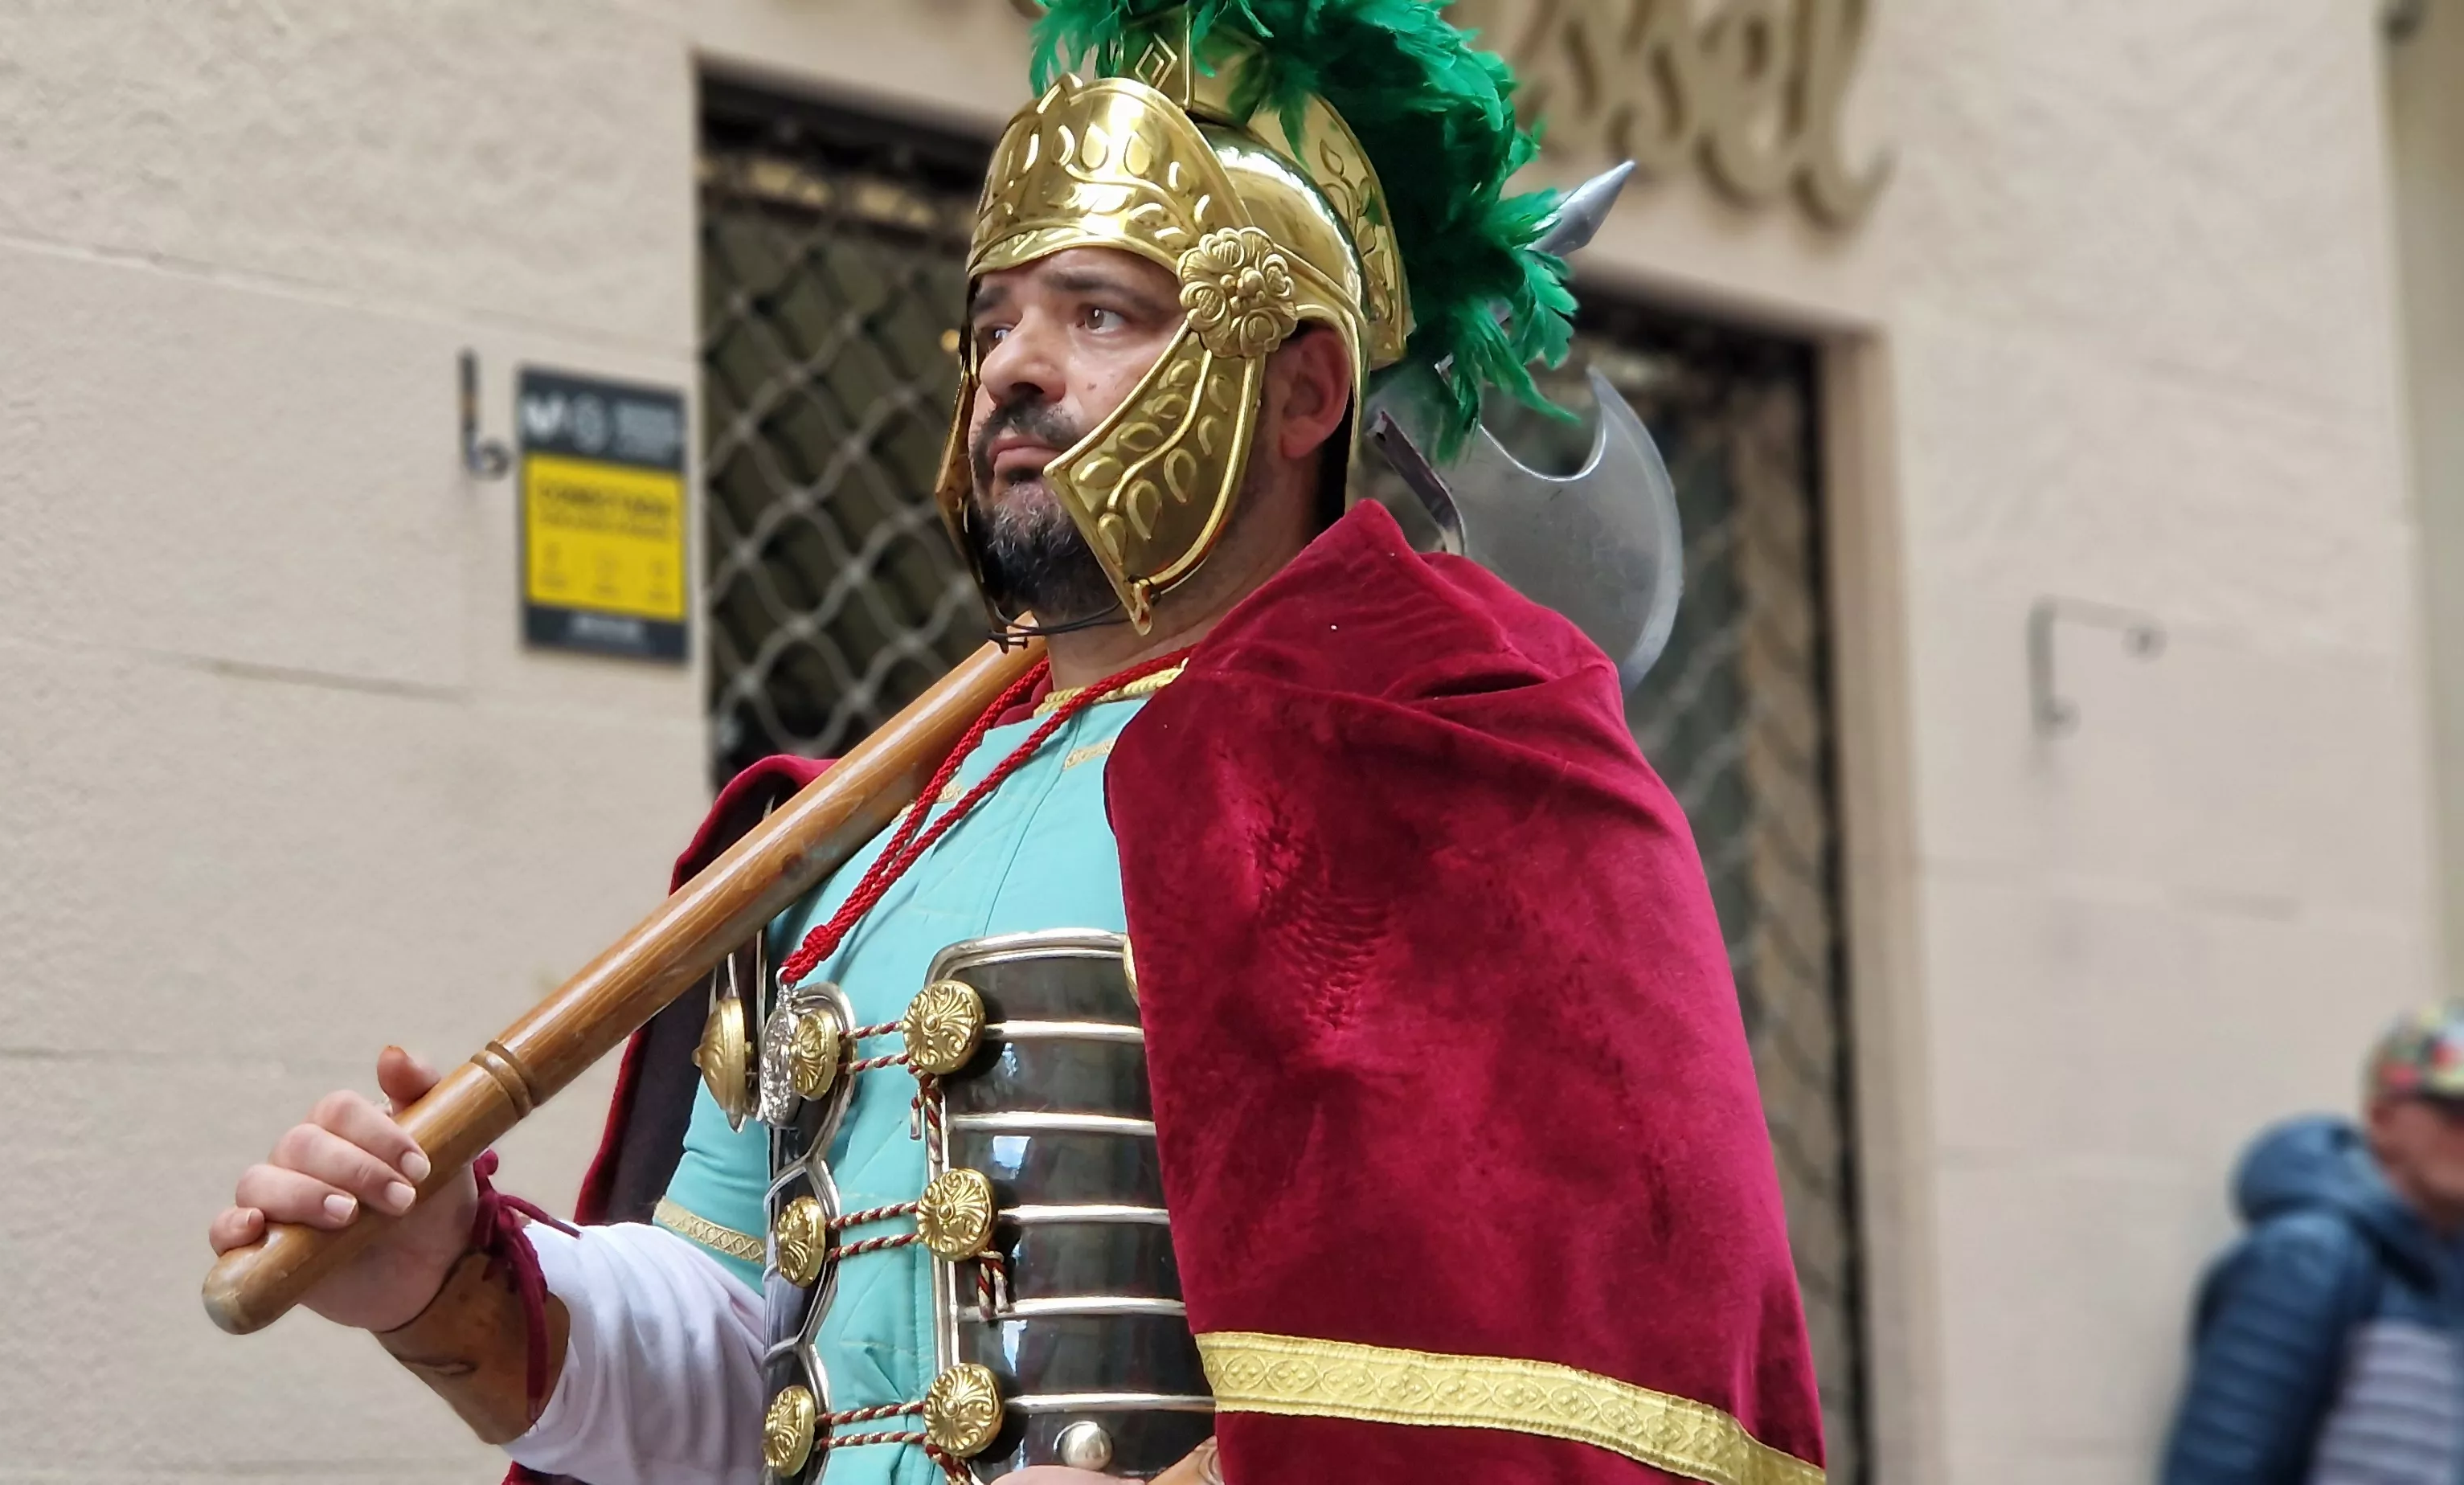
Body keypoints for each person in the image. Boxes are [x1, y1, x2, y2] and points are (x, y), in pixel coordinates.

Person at [211, 2, 1824, 1481]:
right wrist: (450, 1283)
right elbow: (734, 1365)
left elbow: (1546, 1380)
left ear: (1302, 389)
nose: (1013, 373)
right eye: (990, 325)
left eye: (1100, 314)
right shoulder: (859, 839)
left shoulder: (1450, 760)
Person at [2159, 1008, 2464, 1484]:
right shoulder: (2309, 1258)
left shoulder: (2450, 1276)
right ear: (2382, 1120)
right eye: (2456, 1112)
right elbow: (2220, 1466)